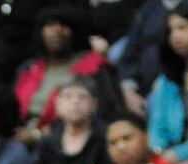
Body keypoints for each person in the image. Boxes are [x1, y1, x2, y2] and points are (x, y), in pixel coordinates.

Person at [13, 3, 122, 142]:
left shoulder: (95, 67)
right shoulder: (29, 68)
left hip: (73, 140)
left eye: (64, 26)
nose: (56, 31)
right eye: (50, 25)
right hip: (22, 140)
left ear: (75, 31)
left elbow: (109, 114)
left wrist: (38, 135)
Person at [147, 3, 188, 164]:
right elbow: (157, 126)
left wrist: (179, 153)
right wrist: (159, 152)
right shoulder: (167, 80)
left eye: (182, 27)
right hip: (170, 160)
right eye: (170, 31)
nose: (175, 36)